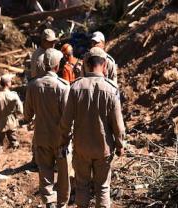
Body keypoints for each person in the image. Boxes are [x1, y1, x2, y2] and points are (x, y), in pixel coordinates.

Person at [59, 47, 125, 208]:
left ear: (87, 64)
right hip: (104, 148)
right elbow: (118, 125)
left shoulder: (75, 87)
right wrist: (120, 145)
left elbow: (66, 122)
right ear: (104, 66)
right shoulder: (111, 89)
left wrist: (63, 141)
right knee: (103, 188)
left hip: (81, 148)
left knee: (82, 186)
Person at [24, 48, 71, 208]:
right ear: (57, 66)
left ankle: (49, 202)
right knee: (63, 173)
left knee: (45, 171)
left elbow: (27, 115)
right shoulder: (64, 86)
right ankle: (62, 204)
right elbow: (68, 116)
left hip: (41, 137)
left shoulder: (32, 85)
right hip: (60, 138)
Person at [0, 74, 23, 153]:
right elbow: (20, 110)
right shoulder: (14, 95)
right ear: (7, 83)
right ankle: (15, 159)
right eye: (10, 81)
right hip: (12, 122)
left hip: (0, 124)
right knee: (15, 143)